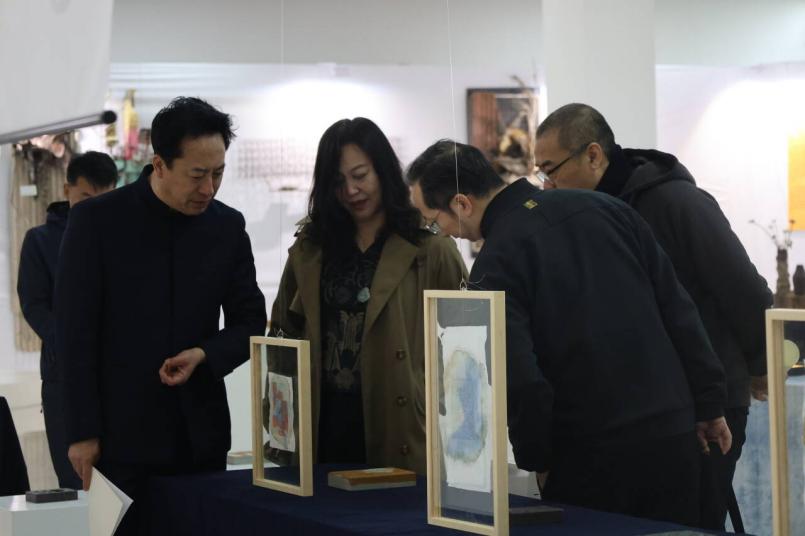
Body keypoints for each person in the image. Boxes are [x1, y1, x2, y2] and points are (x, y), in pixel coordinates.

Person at [408, 140, 730, 526]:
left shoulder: (496, 262)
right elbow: (679, 310)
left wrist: (538, 458)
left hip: (589, 456)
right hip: (672, 435)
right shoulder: (606, 207)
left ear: (461, 204)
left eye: (434, 221)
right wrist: (709, 405)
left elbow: (521, 377)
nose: (442, 233)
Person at [534, 103, 773, 531]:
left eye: (551, 170)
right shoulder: (587, 214)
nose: (547, 184)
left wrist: (762, 366)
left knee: (693, 522)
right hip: (643, 410)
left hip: (706, 400)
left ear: (593, 155)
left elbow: (744, 290)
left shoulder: (677, 202)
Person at [54, 97, 266, 534]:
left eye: (218, 173)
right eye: (197, 174)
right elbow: (73, 333)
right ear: (160, 165)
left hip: (199, 437)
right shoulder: (97, 222)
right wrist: (81, 432)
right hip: (116, 440)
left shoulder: (227, 227)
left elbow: (250, 322)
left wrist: (204, 354)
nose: (209, 188)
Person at [269, 118, 466, 475]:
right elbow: (283, 333)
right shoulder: (310, 248)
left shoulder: (430, 247)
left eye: (360, 176)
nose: (351, 191)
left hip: (401, 421)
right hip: (323, 421)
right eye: (337, 182)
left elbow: (463, 349)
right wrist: (278, 414)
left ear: (383, 170)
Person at [17, 151, 117, 489]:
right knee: (77, 480)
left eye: (104, 199)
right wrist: (72, 343)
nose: (94, 208)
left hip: (116, 375)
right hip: (63, 375)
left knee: (121, 480)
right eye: (86, 198)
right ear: (66, 190)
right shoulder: (40, 240)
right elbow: (34, 305)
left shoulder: (122, 237)